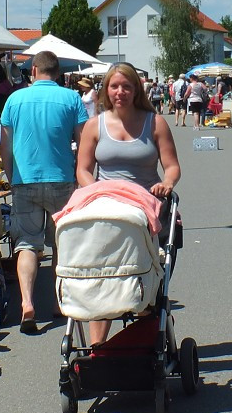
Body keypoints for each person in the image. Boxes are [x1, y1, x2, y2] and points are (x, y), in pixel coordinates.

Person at [76, 62, 181, 344]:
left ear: (136, 90)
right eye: (114, 86)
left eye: (126, 86)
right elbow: (83, 170)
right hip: (108, 206)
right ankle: (99, 348)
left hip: (148, 205)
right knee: (104, 275)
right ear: (105, 90)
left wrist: (167, 184)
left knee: (144, 276)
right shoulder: (93, 125)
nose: (120, 92)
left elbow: (171, 166)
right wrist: (96, 190)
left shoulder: (154, 122)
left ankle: (144, 342)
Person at [0, 51, 88, 335]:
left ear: (34, 70)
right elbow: (84, 141)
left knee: (27, 244)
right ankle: (59, 302)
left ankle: (27, 303)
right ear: (58, 73)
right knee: (61, 243)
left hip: (25, 180)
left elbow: (5, 145)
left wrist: (11, 175)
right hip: (62, 178)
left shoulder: (14, 100)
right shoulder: (72, 98)